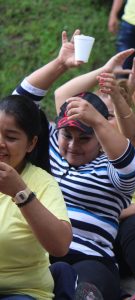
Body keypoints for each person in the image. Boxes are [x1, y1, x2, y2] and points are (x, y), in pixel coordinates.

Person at [13, 30, 135, 300]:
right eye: (67, 135)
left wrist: (99, 121)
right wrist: (61, 64)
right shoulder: (47, 151)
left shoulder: (111, 169)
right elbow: (20, 102)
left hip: (90, 257)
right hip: (39, 255)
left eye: (84, 138)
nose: (72, 145)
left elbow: (130, 166)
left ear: (101, 140)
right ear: (57, 130)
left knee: (87, 288)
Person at [0, 95, 72, 299]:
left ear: (31, 144)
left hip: (22, 291)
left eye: (11, 138)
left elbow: (60, 245)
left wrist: (20, 193)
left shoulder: (42, 182)